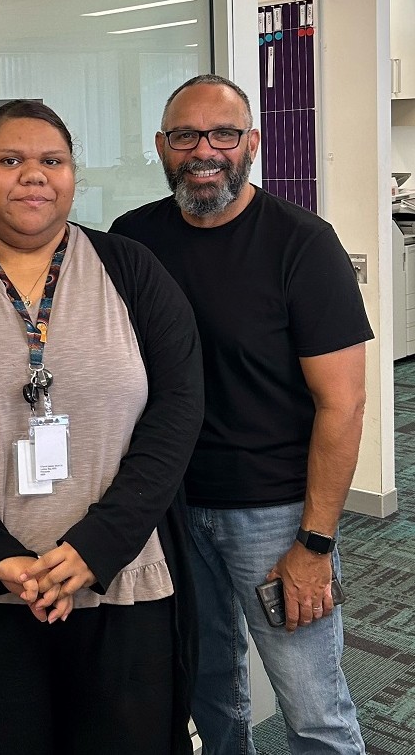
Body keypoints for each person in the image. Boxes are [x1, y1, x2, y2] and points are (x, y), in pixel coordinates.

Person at [0, 99, 203, 755]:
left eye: (51, 160)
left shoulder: (132, 270)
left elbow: (177, 410)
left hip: (123, 586)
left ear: (72, 174)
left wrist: (96, 545)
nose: (34, 175)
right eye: (10, 160)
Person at [110, 74, 371, 755]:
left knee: (313, 707)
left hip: (276, 517)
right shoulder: (132, 240)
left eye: (223, 134)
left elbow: (342, 403)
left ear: (251, 143)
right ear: (161, 147)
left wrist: (315, 544)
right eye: (185, 136)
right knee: (208, 696)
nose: (205, 151)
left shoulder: (302, 244)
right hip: (170, 510)